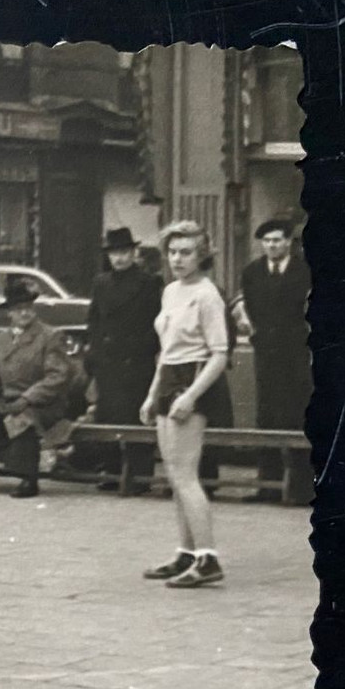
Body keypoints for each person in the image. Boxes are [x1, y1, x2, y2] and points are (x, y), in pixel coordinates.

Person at [139, 220, 234, 588]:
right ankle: (186, 552)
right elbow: (166, 351)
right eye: (172, 252)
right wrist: (152, 394)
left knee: (186, 476)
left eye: (186, 252)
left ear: (202, 255)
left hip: (193, 380)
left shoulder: (207, 295)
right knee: (174, 476)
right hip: (169, 379)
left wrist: (190, 395)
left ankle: (208, 558)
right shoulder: (170, 291)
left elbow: (220, 354)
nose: (177, 259)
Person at [0, 280, 72, 499]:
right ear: (9, 313)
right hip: (9, 399)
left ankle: (28, 478)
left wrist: (28, 398)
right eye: (18, 309)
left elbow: (57, 376)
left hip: (43, 402)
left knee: (23, 419)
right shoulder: (1, 338)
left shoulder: (50, 335)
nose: (24, 313)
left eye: (28, 308)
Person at [237, 217, 314, 504]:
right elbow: (247, 306)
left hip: (296, 355)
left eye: (277, 240)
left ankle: (302, 489)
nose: (272, 245)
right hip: (265, 354)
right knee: (266, 416)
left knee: (297, 416)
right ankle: (267, 486)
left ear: (288, 242)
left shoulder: (305, 271)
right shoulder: (252, 272)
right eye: (267, 241)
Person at [81, 227, 162, 494]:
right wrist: (94, 351)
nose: (119, 258)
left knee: (136, 417)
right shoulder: (101, 283)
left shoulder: (149, 283)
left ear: (133, 253)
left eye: (125, 252)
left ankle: (140, 477)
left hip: (136, 361)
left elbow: (157, 323)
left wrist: (143, 347)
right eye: (115, 253)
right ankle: (112, 471)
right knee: (109, 415)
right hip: (108, 361)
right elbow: (94, 320)